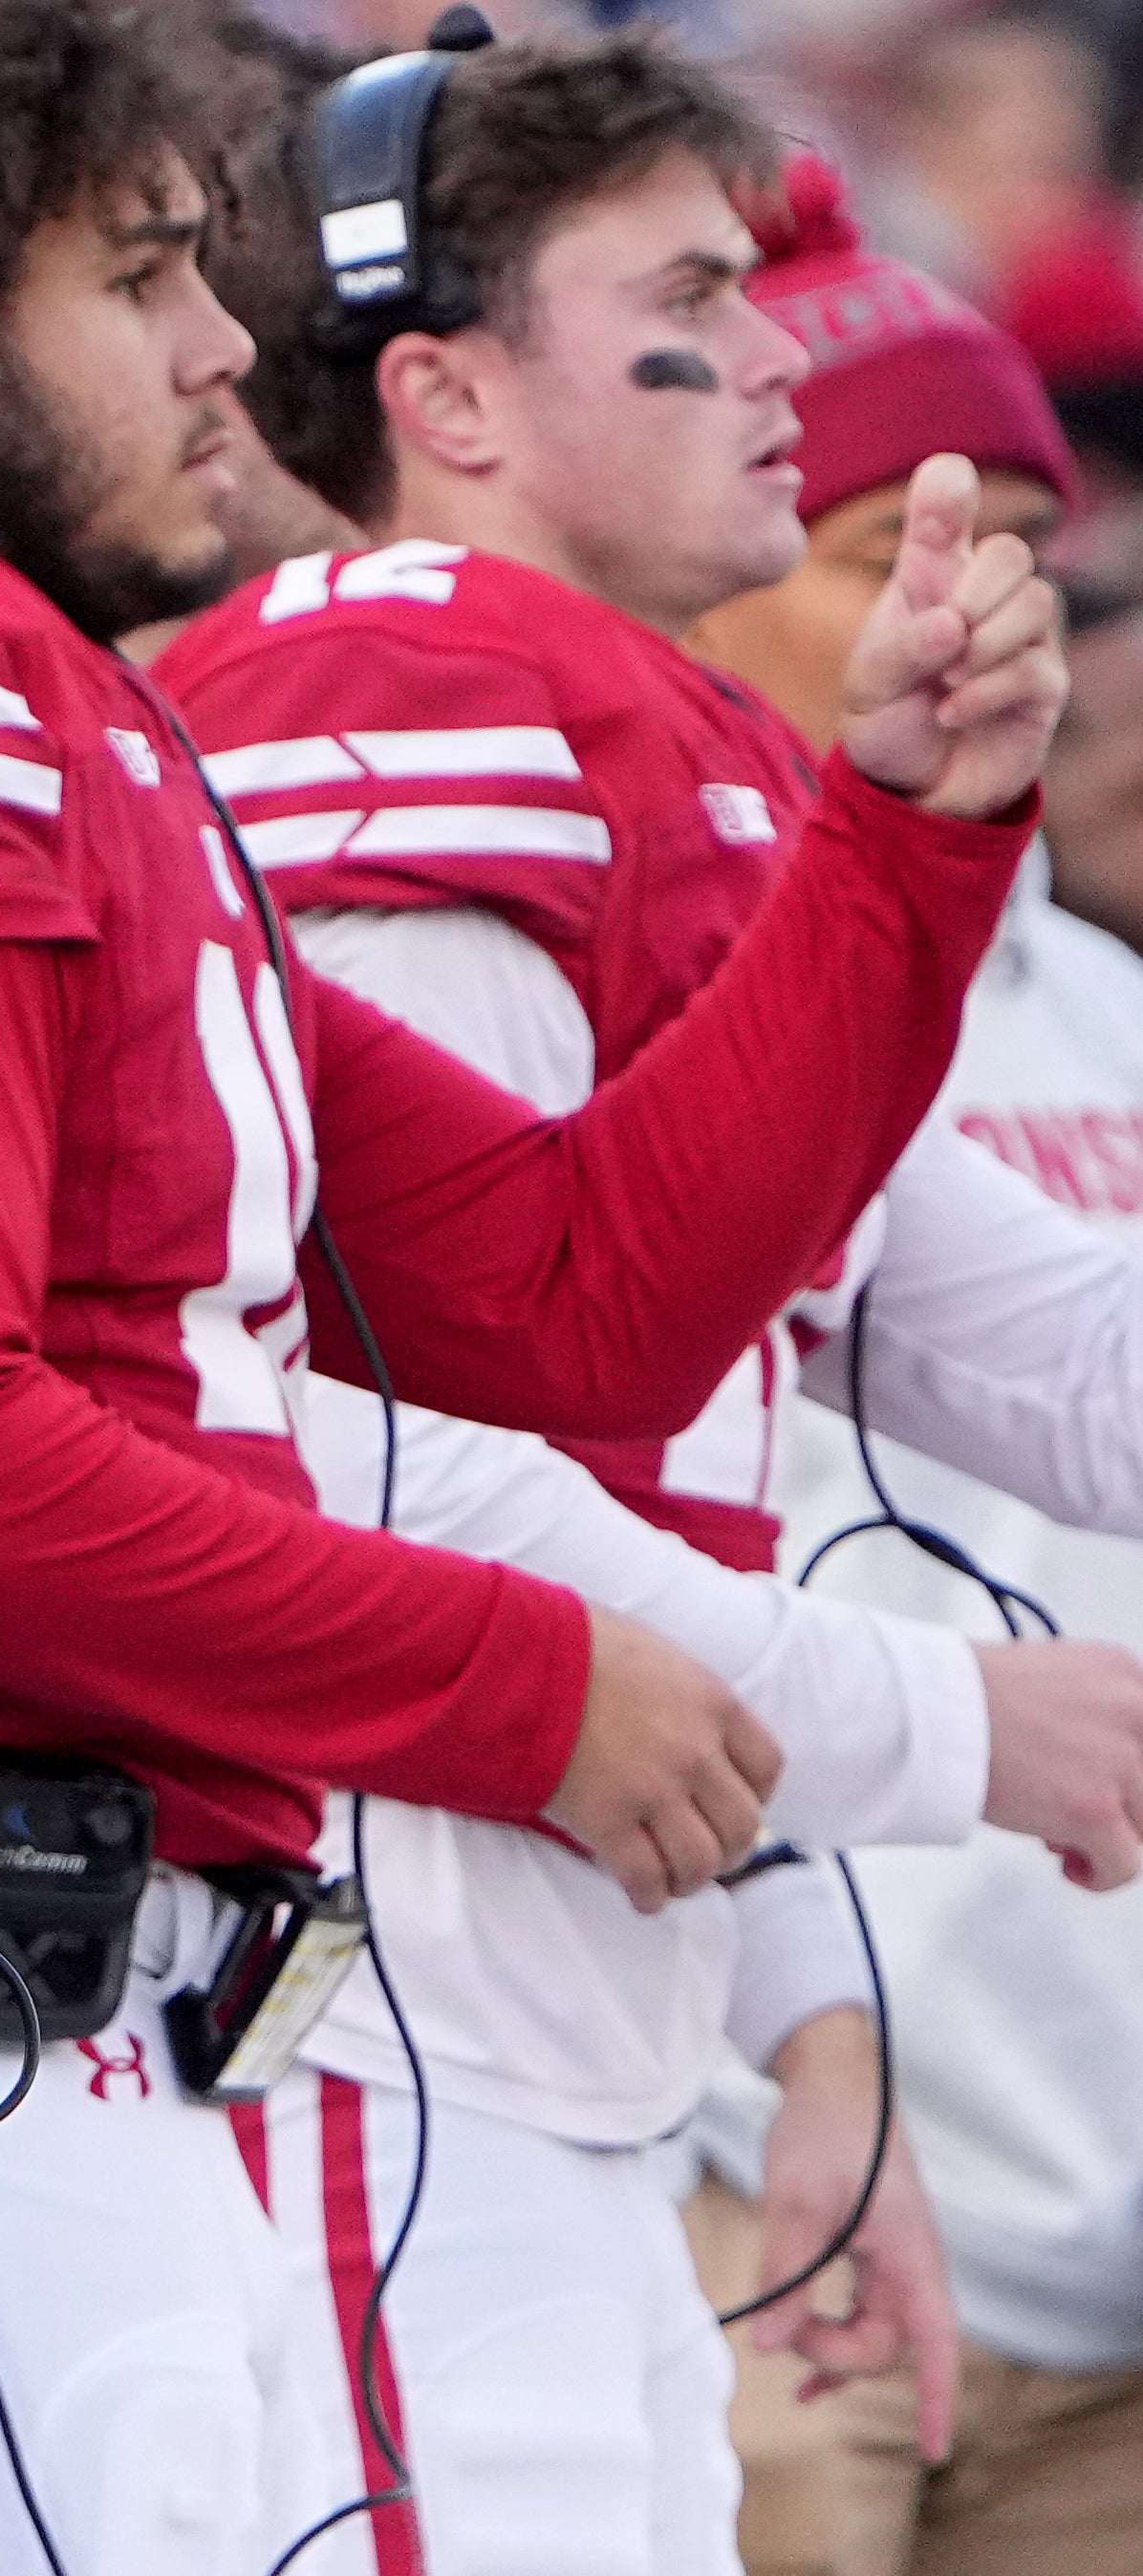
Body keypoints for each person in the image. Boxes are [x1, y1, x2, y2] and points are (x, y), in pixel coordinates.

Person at [0, 2, 1062, 2568]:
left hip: (103, 2012)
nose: (225, 345)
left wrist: (899, 847)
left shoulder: (51, 714)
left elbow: (579, 1301)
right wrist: (512, 1680)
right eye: (139, 276)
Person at [164, 60, 1143, 2568]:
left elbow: (1004, 1330)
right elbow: (468, 1414)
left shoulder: (653, 739)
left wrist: (790, 1996)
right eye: (690, 304)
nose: (779, 367)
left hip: (559, 2010)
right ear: (445, 392)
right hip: (363, 1999)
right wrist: (946, 1733)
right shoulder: (411, 704)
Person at [671, 164, 1143, 2576]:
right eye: (877, 545)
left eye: (1019, 564)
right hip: (761, 2183)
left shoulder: (1117, 1014)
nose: (970, 618)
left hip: (1110, 2262)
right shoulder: (662, 997)